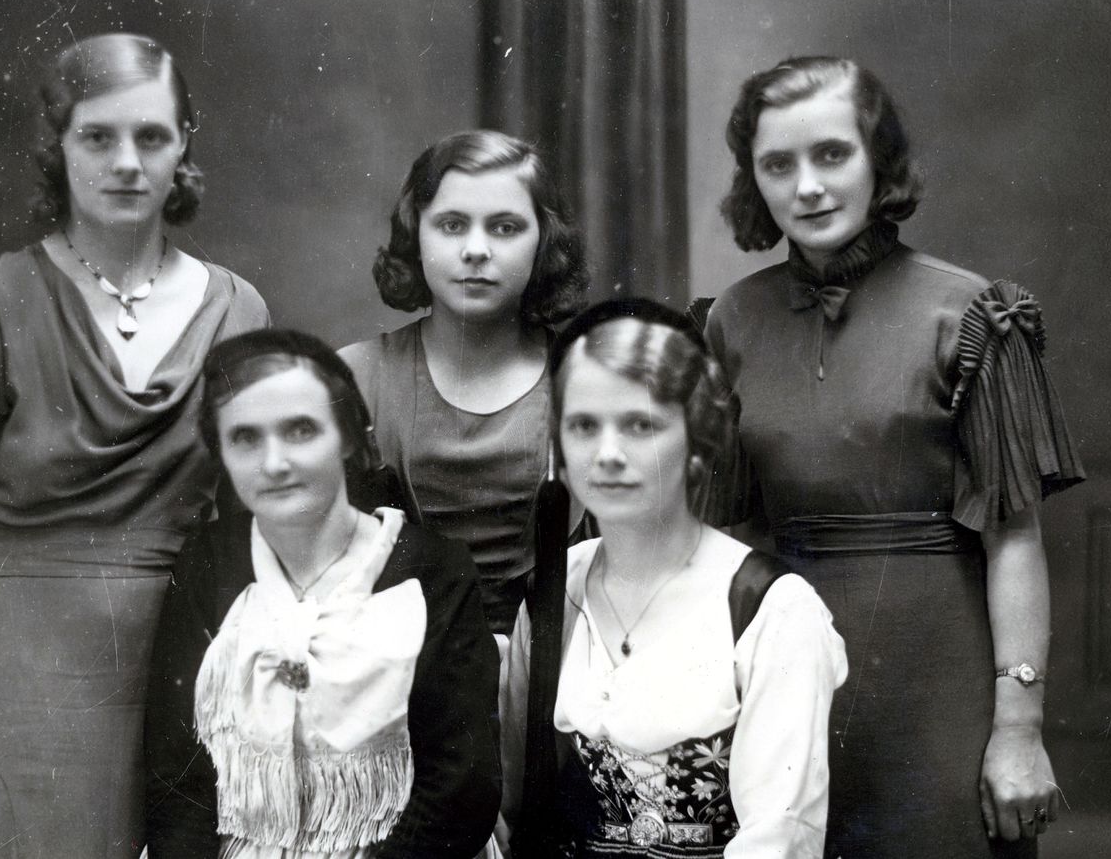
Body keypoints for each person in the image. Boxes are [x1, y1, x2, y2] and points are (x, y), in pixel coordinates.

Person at [0, 33, 269, 858]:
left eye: (151, 136)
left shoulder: (238, 311)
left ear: (183, 145)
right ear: (57, 145)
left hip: (186, 673)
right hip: (21, 683)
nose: (126, 162)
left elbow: (261, 525)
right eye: (98, 136)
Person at [702, 56, 1084, 858]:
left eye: (832, 154)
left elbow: (1014, 535)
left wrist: (1018, 729)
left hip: (939, 682)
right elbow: (723, 536)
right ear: (754, 180)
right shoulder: (733, 319)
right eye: (779, 164)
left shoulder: (970, 313)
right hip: (784, 675)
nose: (808, 186)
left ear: (879, 160)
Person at [499, 299, 848, 857]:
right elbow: (513, 807)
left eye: (640, 425)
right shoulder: (555, 594)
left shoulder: (769, 609)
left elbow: (781, 838)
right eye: (584, 425)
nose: (608, 455)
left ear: (697, 440)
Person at [143, 329, 500, 858]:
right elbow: (177, 779)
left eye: (301, 430)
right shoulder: (207, 562)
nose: (274, 463)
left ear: (348, 437)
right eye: (245, 438)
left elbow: (460, 790)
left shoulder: (433, 571)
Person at [339, 129, 589, 639]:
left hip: (562, 656)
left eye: (505, 227)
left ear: (543, 241)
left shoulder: (584, 376)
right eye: (452, 225)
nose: (476, 250)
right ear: (416, 234)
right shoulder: (357, 376)